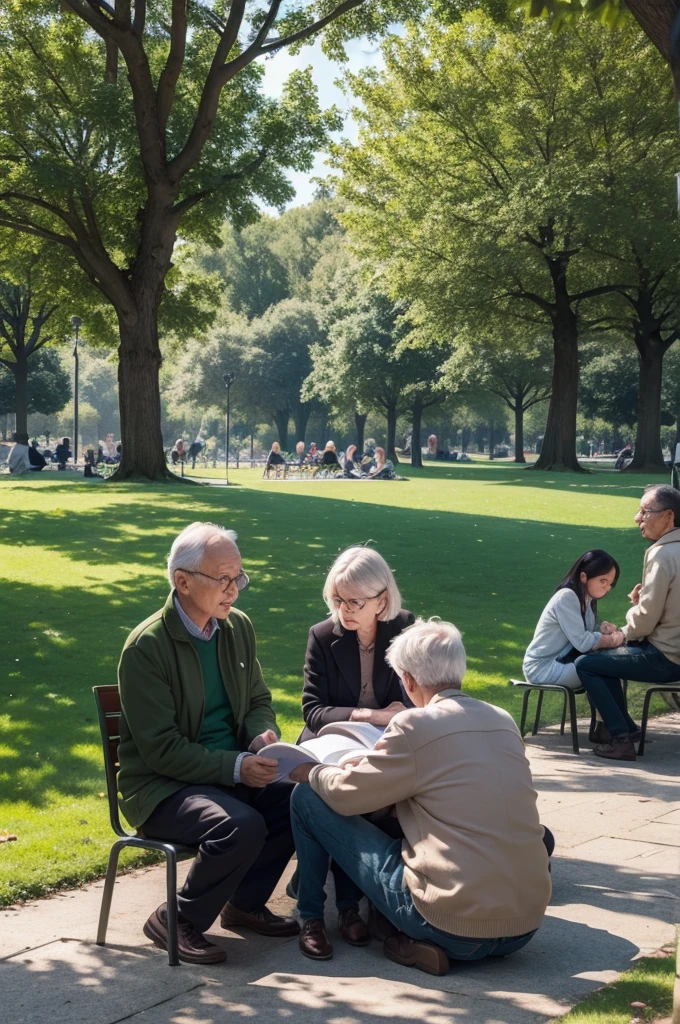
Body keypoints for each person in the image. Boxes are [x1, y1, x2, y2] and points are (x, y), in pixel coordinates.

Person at [290, 619, 552, 971]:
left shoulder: (414, 724)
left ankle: (313, 915)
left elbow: (347, 796)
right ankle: (389, 925)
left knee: (306, 798)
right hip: (525, 926)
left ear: (408, 680)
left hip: (451, 925)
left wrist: (313, 771)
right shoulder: (502, 719)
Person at [117, 522, 299, 965]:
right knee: (240, 825)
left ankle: (243, 904)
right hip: (162, 786)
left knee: (299, 801)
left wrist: (261, 735)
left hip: (222, 774)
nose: (234, 589)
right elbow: (162, 750)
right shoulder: (146, 648)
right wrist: (236, 767)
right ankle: (174, 918)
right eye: (223, 578)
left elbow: (257, 698)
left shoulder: (236, 628)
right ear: (182, 581)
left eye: (239, 577)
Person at [296, 546, 415, 944]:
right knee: (323, 793)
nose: (344, 610)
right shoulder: (322, 635)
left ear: (382, 599)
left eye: (354, 602)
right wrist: (368, 715)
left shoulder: (405, 629)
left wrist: (385, 721)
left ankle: (347, 908)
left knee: (361, 796)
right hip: (329, 742)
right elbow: (313, 711)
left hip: (381, 746)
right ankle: (317, 915)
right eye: (337, 600)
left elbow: (410, 704)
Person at [576, 484, 680, 761]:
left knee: (587, 664)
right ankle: (628, 729)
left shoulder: (663, 555)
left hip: (666, 658)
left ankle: (621, 739)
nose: (638, 518)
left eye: (646, 511)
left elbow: (645, 622)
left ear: (668, 516)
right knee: (604, 660)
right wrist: (642, 604)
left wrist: (624, 627)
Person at [523, 550, 624, 700]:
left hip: (562, 663)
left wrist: (603, 630)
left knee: (604, 665)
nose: (607, 588)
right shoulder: (567, 597)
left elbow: (583, 635)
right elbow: (582, 643)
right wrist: (612, 640)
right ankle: (610, 722)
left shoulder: (587, 600)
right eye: (603, 581)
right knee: (601, 667)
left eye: (610, 584)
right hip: (543, 667)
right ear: (584, 577)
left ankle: (610, 722)